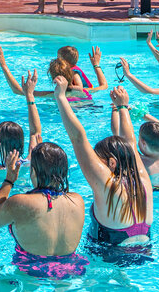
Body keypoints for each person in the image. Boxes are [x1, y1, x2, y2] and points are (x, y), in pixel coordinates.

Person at [52, 76, 152, 249]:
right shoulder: (143, 180)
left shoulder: (109, 185)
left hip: (109, 257)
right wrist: (122, 107)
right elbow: (130, 144)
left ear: (112, 163)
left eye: (100, 160)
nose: (97, 165)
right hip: (146, 250)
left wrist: (60, 97)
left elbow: (78, 138)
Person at [0, 142, 88, 279]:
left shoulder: (20, 202)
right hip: (68, 266)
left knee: (3, 283)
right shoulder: (78, 201)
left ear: (33, 171)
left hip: (29, 266)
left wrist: (9, 180)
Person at [110, 86, 159, 176]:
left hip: (146, 189)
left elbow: (118, 133)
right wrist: (144, 115)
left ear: (143, 144)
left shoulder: (140, 161)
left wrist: (117, 107)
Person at [0, 45, 97, 99]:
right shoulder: (86, 91)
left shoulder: (55, 94)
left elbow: (18, 91)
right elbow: (104, 85)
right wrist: (96, 65)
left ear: (55, 79)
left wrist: (4, 66)